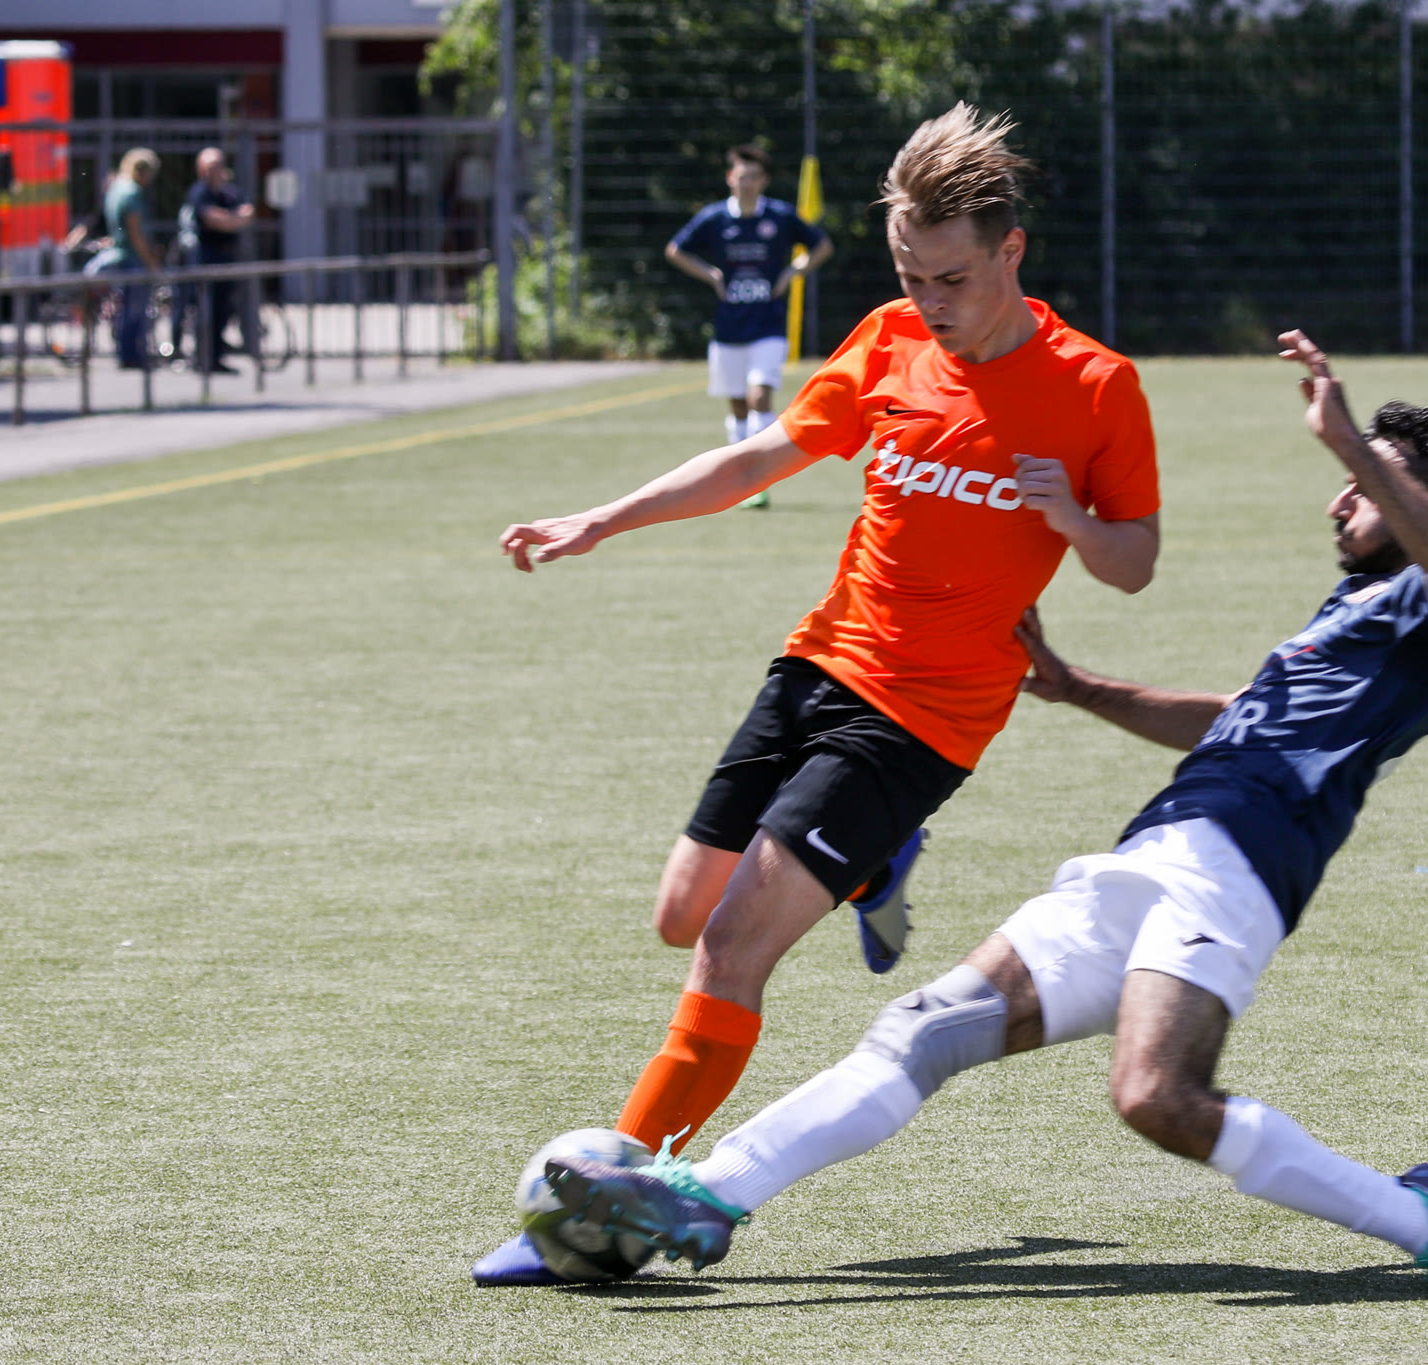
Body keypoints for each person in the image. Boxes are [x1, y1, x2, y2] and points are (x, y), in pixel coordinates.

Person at [543, 331, 1428, 1297]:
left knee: (1156, 1096)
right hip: (1148, 855)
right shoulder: (1348, 611)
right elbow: (1234, 719)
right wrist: (1079, 687)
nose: (1340, 498)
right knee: (921, 1031)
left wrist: (1346, 437)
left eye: (1365, 483)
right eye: (1348, 478)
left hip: (1234, 873)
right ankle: (707, 1192)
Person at [476, 105, 1162, 1285]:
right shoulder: (888, 340)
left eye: (949, 277)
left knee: (730, 944)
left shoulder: (1094, 386)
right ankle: (874, 871)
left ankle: (612, 1203)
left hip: (923, 719)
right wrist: (603, 519)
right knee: (682, 913)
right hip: (816, 664)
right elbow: (759, 456)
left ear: (1009, 251)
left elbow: (1134, 562)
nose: (927, 300)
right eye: (908, 274)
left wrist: (1070, 518)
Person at [665, 144, 833, 509]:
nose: (747, 183)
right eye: (742, 177)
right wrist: (711, 275)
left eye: (754, 177)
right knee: (739, 404)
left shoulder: (779, 216)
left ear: (764, 181)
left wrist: (791, 272)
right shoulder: (715, 218)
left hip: (768, 325)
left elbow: (821, 246)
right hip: (729, 328)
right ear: (730, 178)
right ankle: (738, 477)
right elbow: (675, 249)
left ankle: (759, 479)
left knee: (760, 396)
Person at [183, 147, 256, 374]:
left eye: (217, 165)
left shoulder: (231, 192)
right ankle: (203, 358)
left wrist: (228, 219)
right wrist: (233, 219)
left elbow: (248, 214)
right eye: (209, 166)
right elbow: (211, 219)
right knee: (206, 310)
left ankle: (216, 357)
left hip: (227, 257)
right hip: (206, 258)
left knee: (223, 310)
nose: (213, 171)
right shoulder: (199, 192)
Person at [90, 148, 162, 370]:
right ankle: (131, 355)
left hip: (121, 254)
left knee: (126, 308)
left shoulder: (117, 188)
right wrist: (150, 259)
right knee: (135, 310)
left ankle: (126, 352)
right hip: (132, 257)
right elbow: (135, 232)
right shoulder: (132, 193)